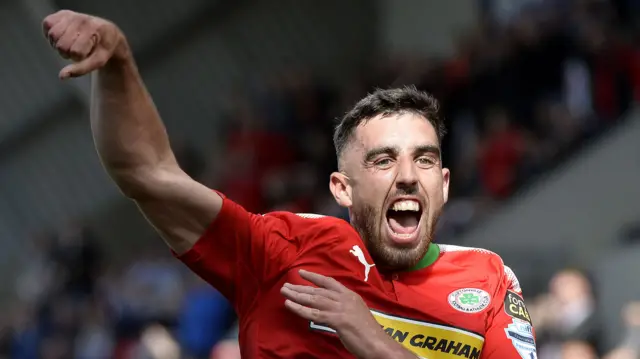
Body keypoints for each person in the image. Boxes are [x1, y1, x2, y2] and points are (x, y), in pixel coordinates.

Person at [42, 10, 537, 359]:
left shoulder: (487, 281)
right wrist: (119, 65)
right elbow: (148, 174)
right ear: (342, 189)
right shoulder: (285, 251)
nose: (408, 175)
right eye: (384, 161)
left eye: (424, 160)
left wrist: (374, 343)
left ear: (445, 184)